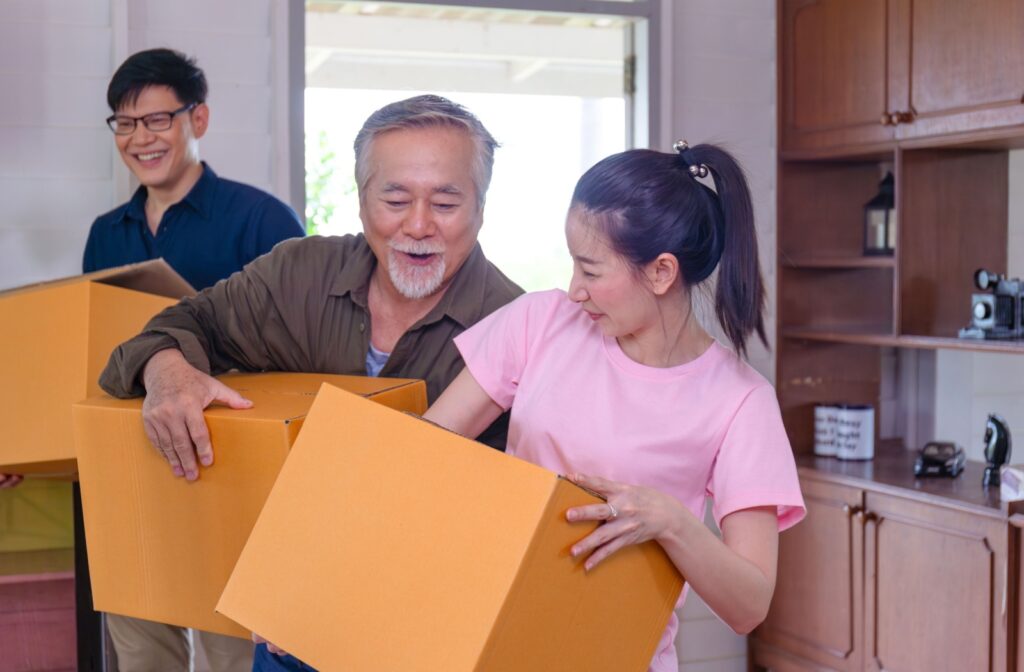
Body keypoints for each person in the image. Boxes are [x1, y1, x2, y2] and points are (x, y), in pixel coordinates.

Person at [97, 94, 523, 671]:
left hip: (422, 629)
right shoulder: (297, 274)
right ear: (361, 198)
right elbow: (177, 325)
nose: (418, 225)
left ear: (482, 205)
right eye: (395, 199)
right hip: (279, 621)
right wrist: (168, 372)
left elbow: (512, 520)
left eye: (446, 202)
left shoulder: (516, 326)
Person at [423, 142, 806, 672]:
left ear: (661, 272)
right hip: (490, 648)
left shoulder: (741, 402)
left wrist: (669, 521)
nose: (575, 290)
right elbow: (420, 455)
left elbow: (750, 606)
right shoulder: (540, 322)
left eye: (592, 270)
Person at [84, 48, 305, 672]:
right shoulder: (107, 231)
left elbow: (298, 349)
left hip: (227, 461)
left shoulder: (261, 219)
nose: (140, 138)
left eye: (157, 120)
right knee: (139, 643)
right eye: (125, 124)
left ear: (197, 119)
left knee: (232, 646)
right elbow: (89, 347)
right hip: (131, 461)